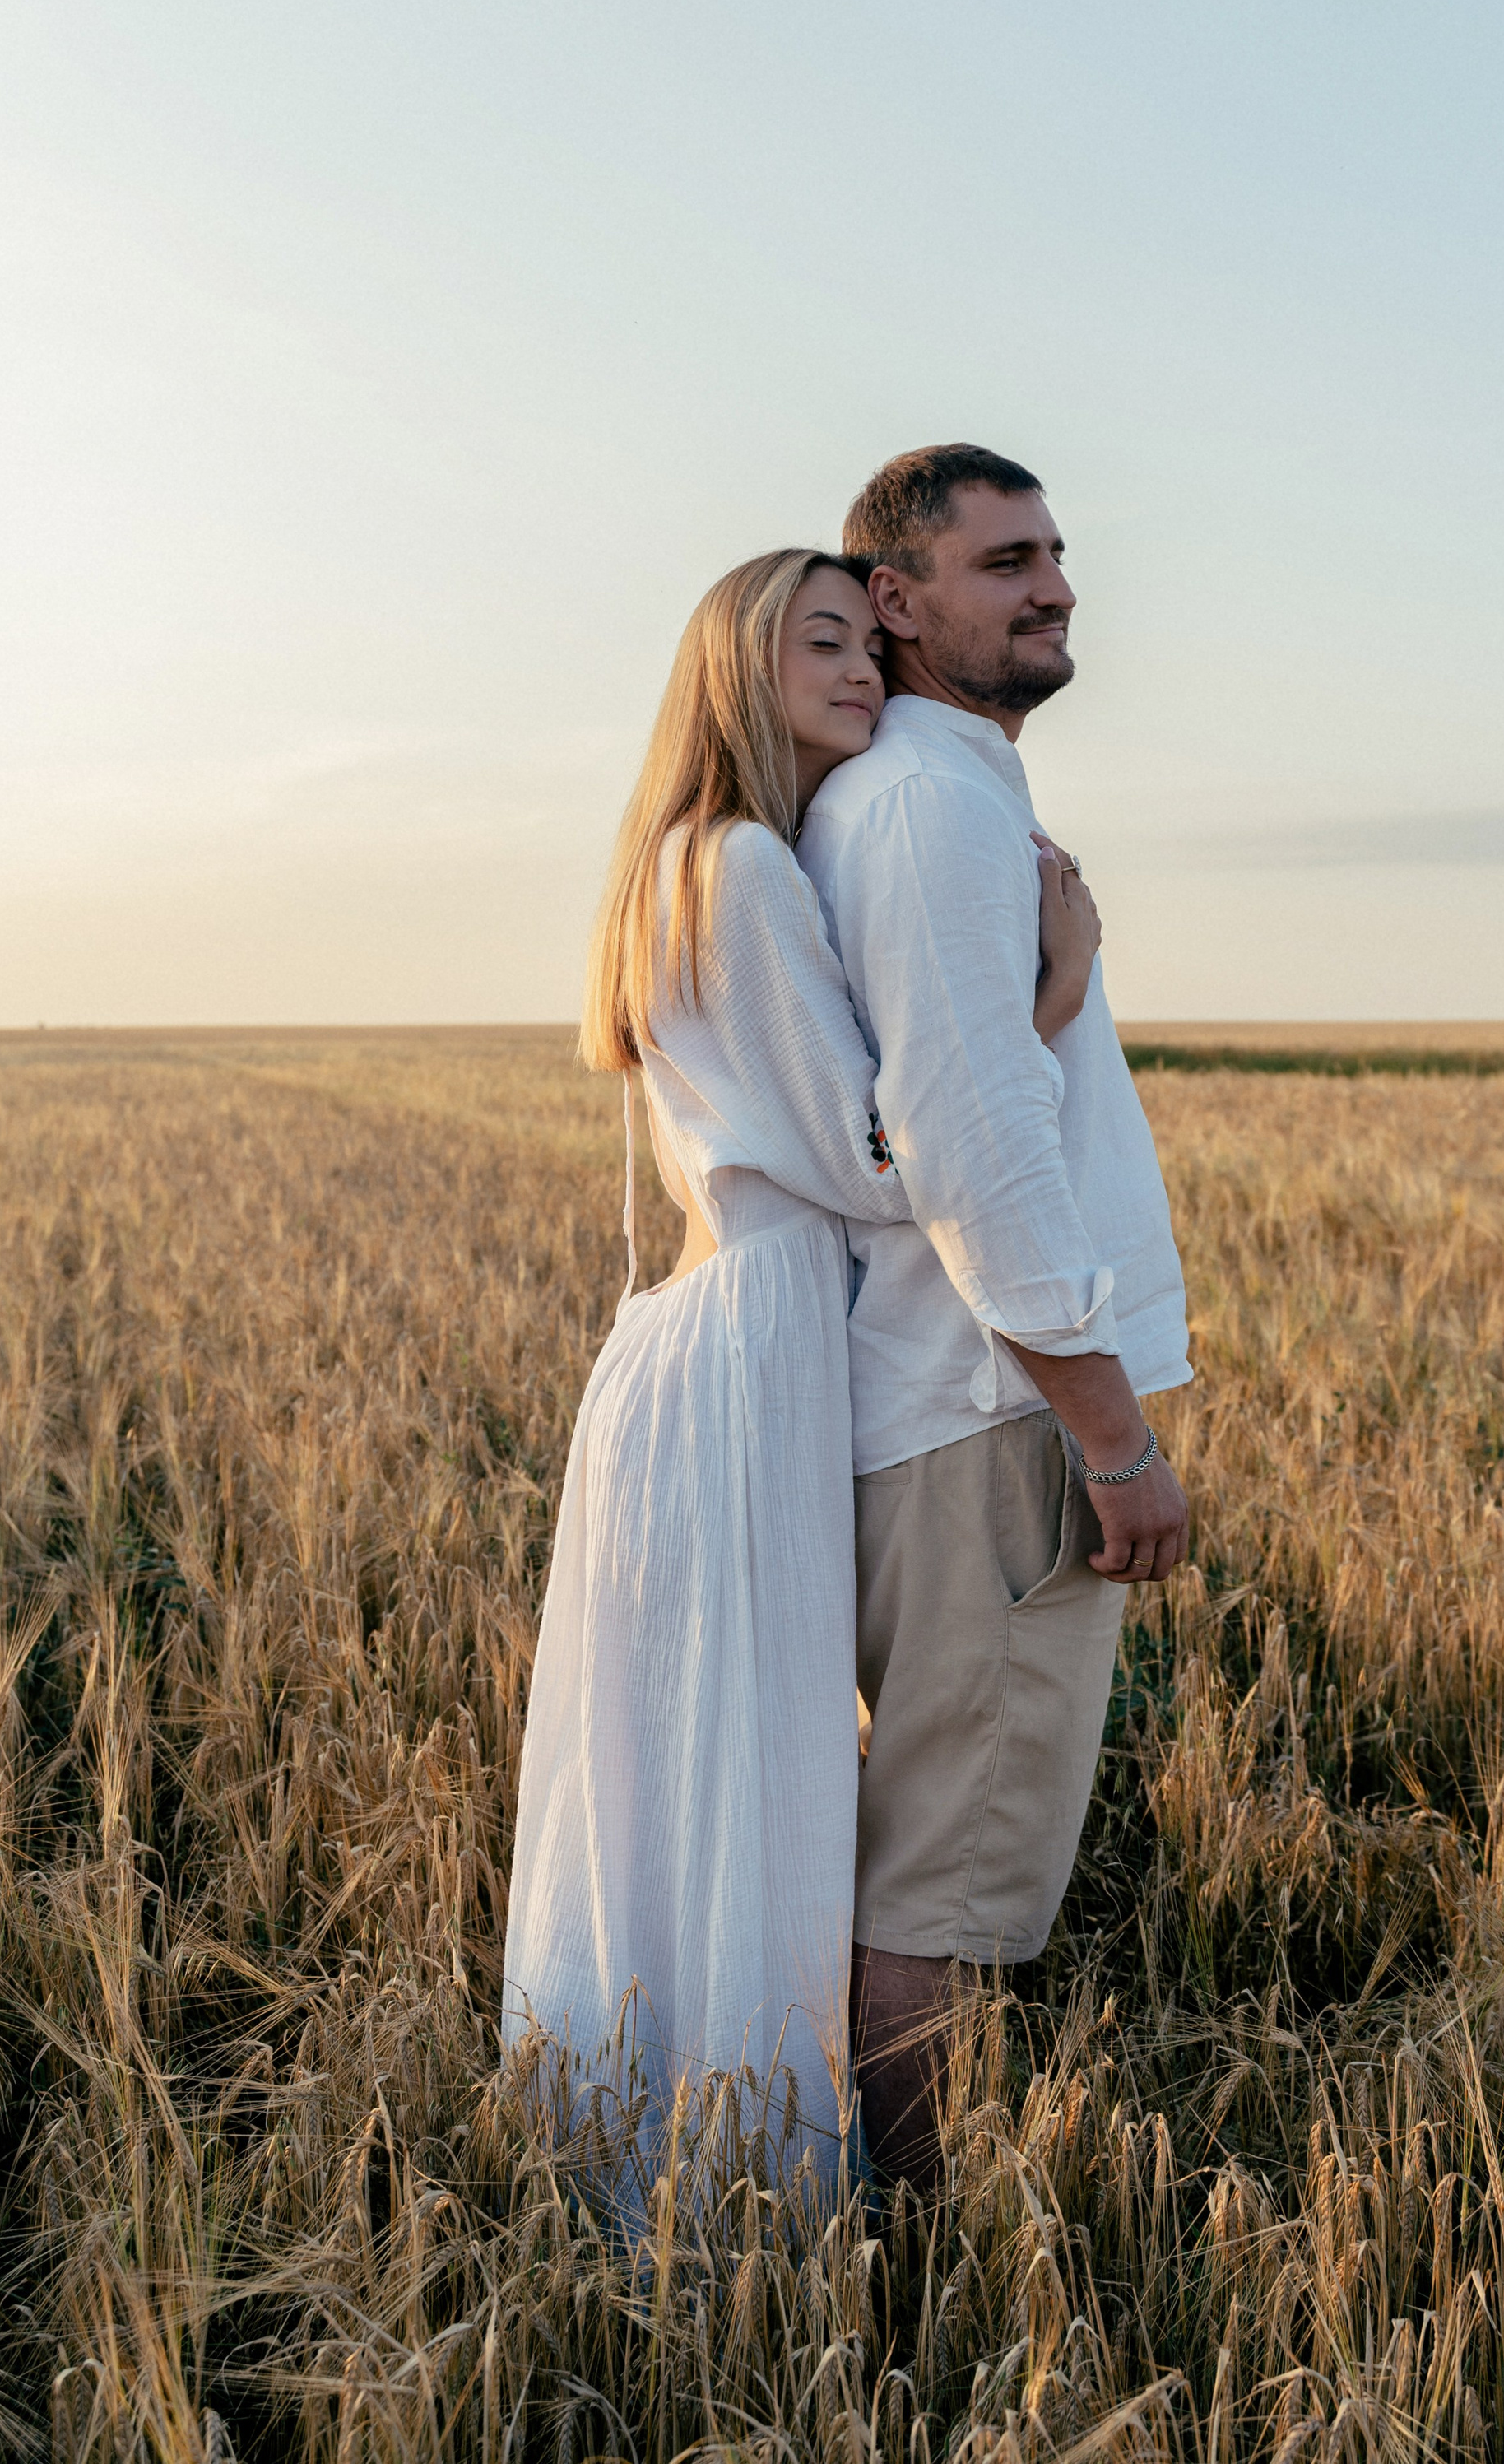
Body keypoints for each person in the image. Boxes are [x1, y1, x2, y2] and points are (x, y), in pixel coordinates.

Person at [499, 545, 1102, 2194]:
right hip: (760, 1332)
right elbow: (874, 1157)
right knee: (751, 1769)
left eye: (862, 640)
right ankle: (740, 2190)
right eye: (816, 645)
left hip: (693, 1337)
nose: (857, 670)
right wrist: (1040, 1006)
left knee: (690, 1766)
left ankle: (647, 2142)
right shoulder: (749, 870)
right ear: (735, 676)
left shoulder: (671, 867)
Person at [795, 444, 1193, 2193]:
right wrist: (1109, 1432)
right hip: (989, 1414)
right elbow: (963, 1152)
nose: (1052, 586)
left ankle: (908, 2235)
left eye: (1055, 555)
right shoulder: (928, 805)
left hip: (972, 1401)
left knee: (944, 1854)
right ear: (896, 598)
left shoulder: (933, 797)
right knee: (942, 1882)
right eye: (1004, 558)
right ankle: (920, 2270)